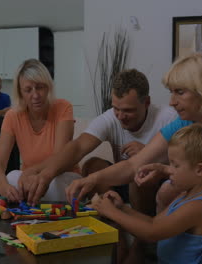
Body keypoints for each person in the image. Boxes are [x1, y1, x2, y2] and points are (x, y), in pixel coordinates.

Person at [66, 52, 202, 263]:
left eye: (179, 92)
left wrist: (166, 170)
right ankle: (156, 251)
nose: (171, 102)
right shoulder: (186, 121)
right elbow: (134, 164)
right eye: (171, 92)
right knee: (167, 191)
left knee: (177, 195)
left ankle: (152, 248)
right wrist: (92, 181)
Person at [24, 69, 177, 204]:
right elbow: (78, 147)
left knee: (140, 171)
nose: (120, 116)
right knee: (93, 164)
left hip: (153, 185)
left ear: (147, 102)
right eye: (116, 108)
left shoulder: (169, 118)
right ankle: (108, 214)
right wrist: (46, 174)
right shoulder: (111, 117)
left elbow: (184, 164)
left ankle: (138, 230)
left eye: (128, 110)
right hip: (120, 181)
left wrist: (150, 154)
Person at [93, 124, 202, 264]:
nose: (168, 170)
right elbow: (153, 222)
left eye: (175, 165)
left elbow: (152, 233)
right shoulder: (184, 197)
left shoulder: (199, 207)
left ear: (200, 169)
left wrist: (111, 212)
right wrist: (122, 208)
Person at [0, 59, 81, 204]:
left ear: (48, 87)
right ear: (20, 92)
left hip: (60, 177)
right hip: (28, 181)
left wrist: (31, 173)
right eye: (28, 90)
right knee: (12, 176)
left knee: (55, 186)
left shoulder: (63, 107)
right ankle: (29, 196)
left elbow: (59, 159)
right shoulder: (12, 116)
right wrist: (5, 188)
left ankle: (30, 197)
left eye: (40, 87)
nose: (36, 95)